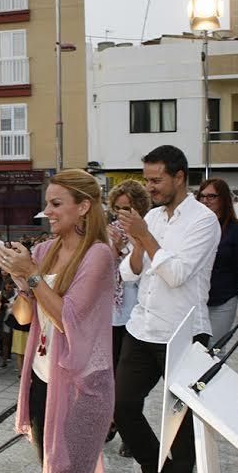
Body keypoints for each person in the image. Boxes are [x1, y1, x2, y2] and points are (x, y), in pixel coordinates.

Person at [0, 169, 116, 473]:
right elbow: (26, 318)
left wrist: (31, 276)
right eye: (46, 202)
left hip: (82, 387)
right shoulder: (46, 251)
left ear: (83, 207)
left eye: (56, 203)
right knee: (50, 468)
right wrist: (19, 280)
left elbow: (70, 321)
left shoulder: (98, 254)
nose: (46, 211)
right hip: (43, 379)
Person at [115, 145, 221, 473]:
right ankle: (152, 467)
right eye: (147, 179)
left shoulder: (204, 222)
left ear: (179, 177)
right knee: (122, 406)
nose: (151, 187)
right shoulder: (154, 217)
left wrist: (144, 235)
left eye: (156, 179)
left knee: (180, 423)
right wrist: (139, 239)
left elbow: (176, 275)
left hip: (184, 332)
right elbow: (130, 272)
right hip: (142, 328)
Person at [105, 180, 152, 456]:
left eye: (129, 208)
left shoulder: (148, 230)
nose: (123, 213)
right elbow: (105, 268)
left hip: (136, 312)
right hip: (111, 312)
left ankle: (128, 429)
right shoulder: (107, 232)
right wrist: (114, 246)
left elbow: (143, 269)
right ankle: (112, 421)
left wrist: (133, 241)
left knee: (128, 379)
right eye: (119, 208)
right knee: (110, 372)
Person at [198, 178, 238, 343]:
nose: (205, 201)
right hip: (195, 301)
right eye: (202, 196)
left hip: (222, 301)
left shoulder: (236, 231)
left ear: (223, 199)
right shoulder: (195, 227)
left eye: (211, 196)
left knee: (214, 351)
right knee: (192, 351)